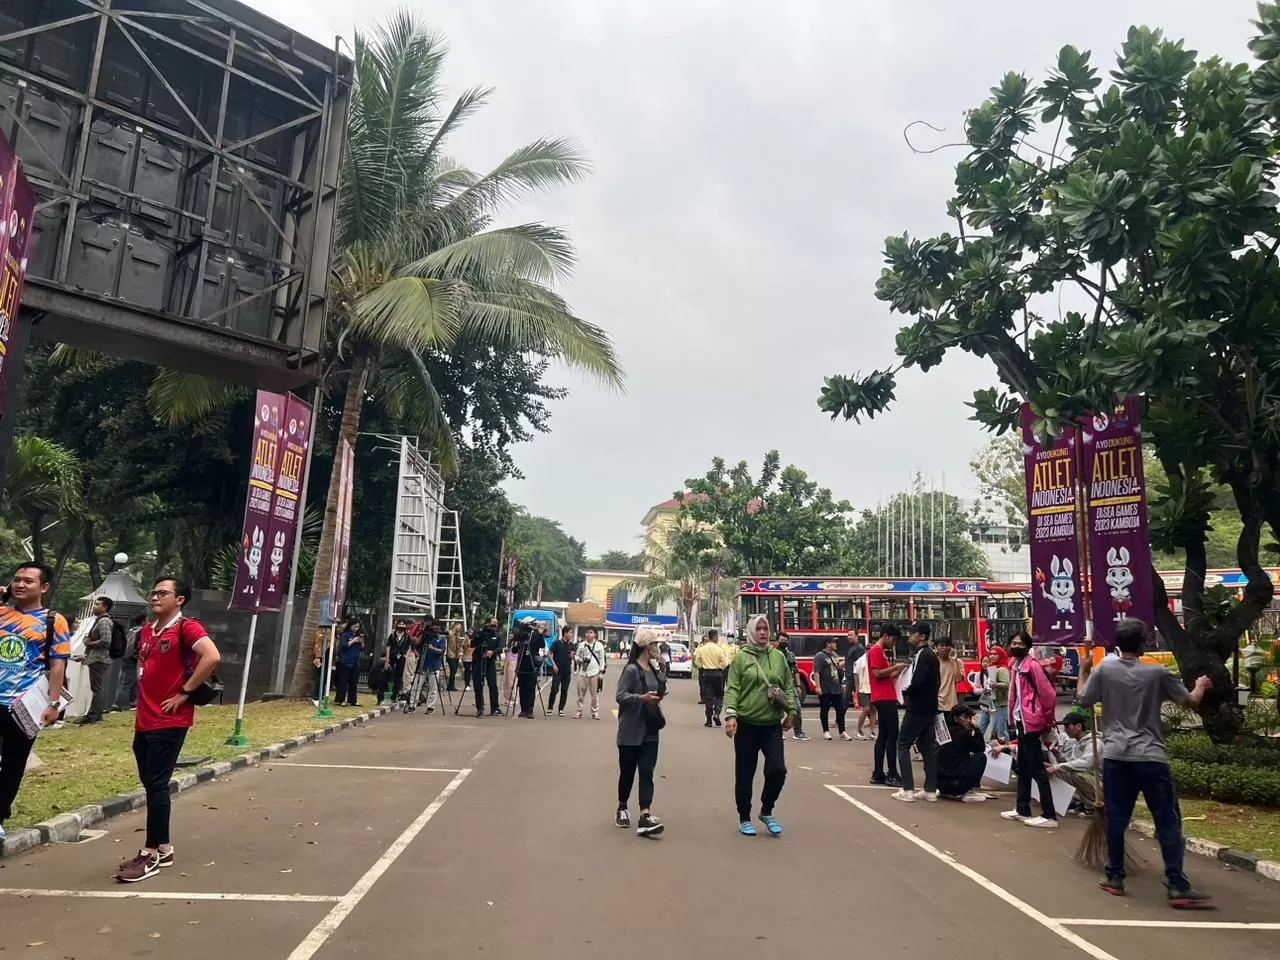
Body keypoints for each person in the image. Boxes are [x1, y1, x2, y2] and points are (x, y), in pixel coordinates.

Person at [1078, 619, 1213, 907]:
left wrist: (1083, 671)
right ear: (1144, 643)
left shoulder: (1105, 670)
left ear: (1118, 643)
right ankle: (1177, 884)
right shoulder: (1157, 673)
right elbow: (1190, 702)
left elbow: (1083, 699)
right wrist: (1200, 686)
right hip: (1151, 756)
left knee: (1116, 819)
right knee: (1167, 821)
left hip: (1116, 755)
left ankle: (1115, 876)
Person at [115, 577, 221, 883]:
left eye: (163, 593)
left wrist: (185, 692)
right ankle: (163, 845)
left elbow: (212, 656)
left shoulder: (187, 627)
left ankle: (150, 853)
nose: (155, 597)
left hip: (169, 720)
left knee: (158, 784)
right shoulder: (149, 630)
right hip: (144, 718)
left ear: (180, 600)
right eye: (154, 592)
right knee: (150, 782)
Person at [0, 563, 71, 842]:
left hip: (23, 705)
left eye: (27, 581)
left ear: (44, 587)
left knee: (14, 763)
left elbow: (57, 665)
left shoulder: (54, 621)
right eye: (16, 580)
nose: (19, 585)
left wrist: (53, 704)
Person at [724, 614, 797, 836]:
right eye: (759, 629)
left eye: (766, 629)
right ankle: (744, 817)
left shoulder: (778, 657)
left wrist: (792, 711)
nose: (763, 632)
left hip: (771, 724)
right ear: (751, 632)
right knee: (745, 773)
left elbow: (788, 685)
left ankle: (766, 810)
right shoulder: (741, 658)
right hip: (746, 724)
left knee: (778, 769)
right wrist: (730, 716)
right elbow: (733, 688)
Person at [999, 630, 1059, 828]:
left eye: (1020, 643)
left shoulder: (1032, 667)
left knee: (1036, 768)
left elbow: (1048, 695)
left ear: (1027, 646)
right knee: (1023, 767)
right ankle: (1022, 808)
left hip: (1031, 722)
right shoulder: (1015, 666)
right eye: (1013, 643)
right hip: (1020, 720)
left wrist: (1045, 719)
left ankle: (1049, 815)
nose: (1016, 646)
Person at [615, 627, 666, 836]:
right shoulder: (631, 670)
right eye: (654, 644)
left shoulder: (654, 669)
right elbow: (620, 695)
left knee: (647, 772)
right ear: (645, 646)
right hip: (630, 730)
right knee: (628, 772)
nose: (657, 648)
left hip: (650, 730)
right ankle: (622, 807)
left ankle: (645, 814)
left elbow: (661, 692)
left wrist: (663, 672)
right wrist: (641, 698)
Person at [892, 621, 941, 803]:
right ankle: (930, 789)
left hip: (918, 708)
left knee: (903, 744)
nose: (909, 637)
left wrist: (906, 692)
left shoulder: (923, 655)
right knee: (927, 747)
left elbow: (918, 682)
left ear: (922, 636)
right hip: (929, 708)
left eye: (913, 634)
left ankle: (908, 789)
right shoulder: (930, 655)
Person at [868, 624, 905, 786]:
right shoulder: (876, 651)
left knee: (884, 736)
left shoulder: (879, 651)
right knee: (891, 736)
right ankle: (891, 773)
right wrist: (895, 667)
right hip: (885, 697)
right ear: (885, 636)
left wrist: (899, 670)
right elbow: (877, 673)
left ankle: (878, 773)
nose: (894, 643)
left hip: (883, 696)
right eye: (894, 639)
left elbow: (885, 676)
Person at [1046, 710, 1098, 809]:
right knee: (1058, 772)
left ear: (1078, 726)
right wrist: (1059, 758)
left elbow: (1085, 763)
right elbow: (1071, 763)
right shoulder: (1076, 743)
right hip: (1088, 780)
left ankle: (1092, 806)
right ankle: (1077, 801)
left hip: (1099, 783)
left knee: (1076, 774)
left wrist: (1057, 767)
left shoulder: (1095, 743)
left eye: (1067, 726)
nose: (1065, 730)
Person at [937, 704, 988, 801]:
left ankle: (943, 789)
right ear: (956, 718)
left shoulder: (942, 732)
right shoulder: (965, 734)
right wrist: (976, 729)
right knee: (980, 757)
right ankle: (969, 790)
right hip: (957, 785)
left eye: (970, 717)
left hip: (941, 785)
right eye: (965, 717)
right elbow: (981, 748)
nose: (969, 720)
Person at [77, 596, 115, 724]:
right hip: (97, 658)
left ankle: (93, 715)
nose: (94, 607)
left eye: (97, 604)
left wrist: (89, 643)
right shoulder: (100, 620)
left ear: (105, 607)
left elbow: (106, 641)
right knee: (98, 687)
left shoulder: (104, 621)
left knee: (97, 688)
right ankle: (96, 714)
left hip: (99, 658)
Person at [774, 632, 809, 741]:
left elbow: (796, 671)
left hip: (790, 685)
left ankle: (798, 732)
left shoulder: (790, 655)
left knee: (797, 708)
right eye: (781, 640)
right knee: (775, 710)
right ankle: (777, 732)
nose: (783, 642)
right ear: (777, 641)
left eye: (785, 641)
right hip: (776, 685)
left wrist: (798, 685)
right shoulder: (772, 654)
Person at [814, 637, 849, 740]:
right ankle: (826, 731)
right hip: (825, 688)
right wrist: (818, 686)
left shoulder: (835, 655)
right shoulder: (820, 656)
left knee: (840, 709)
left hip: (836, 687)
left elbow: (837, 668)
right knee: (825, 709)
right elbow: (816, 672)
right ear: (828, 644)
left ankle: (842, 732)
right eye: (834, 642)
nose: (836, 644)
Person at [693, 629, 729, 726]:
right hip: (717, 674)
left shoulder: (702, 649)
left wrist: (702, 666)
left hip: (706, 674)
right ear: (715, 637)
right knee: (719, 695)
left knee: (708, 697)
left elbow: (697, 662)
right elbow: (725, 663)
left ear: (709, 637)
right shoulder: (719, 650)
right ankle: (717, 713)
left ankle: (708, 721)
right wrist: (719, 667)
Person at [514, 619, 545, 718]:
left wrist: (540, 634)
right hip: (522, 663)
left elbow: (542, 645)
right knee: (522, 687)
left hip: (532, 664)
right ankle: (523, 709)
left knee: (531, 688)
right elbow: (515, 649)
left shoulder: (536, 634)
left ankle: (530, 710)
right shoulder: (521, 634)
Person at [114, 614, 146, 711]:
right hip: (133, 658)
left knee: (130, 680)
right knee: (127, 682)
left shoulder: (132, 630)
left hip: (126, 657)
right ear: (144, 621)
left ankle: (133, 702)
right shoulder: (142, 631)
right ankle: (120, 704)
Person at [471, 617, 502, 717]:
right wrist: (478, 635)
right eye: (493, 623)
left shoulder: (497, 635)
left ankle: (495, 708)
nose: (495, 625)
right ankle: (479, 707)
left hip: (490, 662)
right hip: (479, 662)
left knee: (493, 685)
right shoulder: (482, 634)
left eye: (496, 623)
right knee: (478, 685)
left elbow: (500, 648)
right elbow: (472, 644)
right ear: (488, 624)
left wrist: (492, 652)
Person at [573, 627, 607, 719]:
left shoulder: (599, 645)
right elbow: (576, 655)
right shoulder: (581, 645)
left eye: (591, 632)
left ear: (595, 634)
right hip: (583, 672)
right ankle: (579, 711)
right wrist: (579, 660)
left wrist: (601, 672)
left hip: (595, 673)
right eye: (587, 632)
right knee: (580, 694)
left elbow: (601, 659)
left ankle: (595, 712)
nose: (588, 634)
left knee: (594, 695)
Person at [334, 619, 363, 706]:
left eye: (358, 627)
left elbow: (361, 648)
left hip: (355, 660)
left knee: (353, 681)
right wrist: (353, 641)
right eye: (354, 626)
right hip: (346, 661)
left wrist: (361, 642)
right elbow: (343, 646)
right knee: (343, 681)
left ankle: (352, 700)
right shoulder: (345, 635)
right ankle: (341, 699)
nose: (356, 628)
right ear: (350, 626)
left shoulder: (358, 635)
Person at [547, 627, 575, 716]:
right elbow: (549, 654)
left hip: (567, 671)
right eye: (570, 632)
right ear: (565, 633)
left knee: (564, 690)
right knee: (555, 689)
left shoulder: (572, 645)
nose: (571, 634)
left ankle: (561, 709)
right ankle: (550, 708)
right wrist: (554, 664)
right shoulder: (556, 644)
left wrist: (572, 656)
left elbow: (573, 657)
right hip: (557, 670)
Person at [852, 642, 876, 739]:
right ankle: (859, 730)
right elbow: (856, 675)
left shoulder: (875, 659)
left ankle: (872, 732)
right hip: (863, 688)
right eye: (868, 649)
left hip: (873, 688)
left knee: (873, 710)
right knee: (866, 709)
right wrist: (857, 689)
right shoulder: (860, 661)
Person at [383, 621, 411, 703]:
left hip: (402, 657)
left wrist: (406, 655)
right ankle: (384, 696)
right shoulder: (392, 635)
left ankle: (394, 696)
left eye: (403, 624)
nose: (401, 626)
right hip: (392, 656)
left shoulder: (407, 636)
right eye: (400, 624)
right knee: (388, 676)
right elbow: (388, 647)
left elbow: (409, 647)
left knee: (398, 677)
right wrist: (387, 659)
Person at [936, 636, 963, 713]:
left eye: (947, 645)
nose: (944, 648)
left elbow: (958, 679)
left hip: (951, 704)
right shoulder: (933, 661)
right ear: (936, 647)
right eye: (941, 645)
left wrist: (954, 661)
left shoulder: (958, 662)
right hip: (935, 704)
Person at [446, 622, 464, 691]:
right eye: (459, 627)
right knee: (453, 669)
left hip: (456, 654)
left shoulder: (458, 634)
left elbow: (458, 644)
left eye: (461, 627)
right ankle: (451, 685)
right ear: (455, 626)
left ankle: (450, 685)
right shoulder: (450, 633)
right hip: (450, 654)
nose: (460, 628)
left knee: (454, 670)